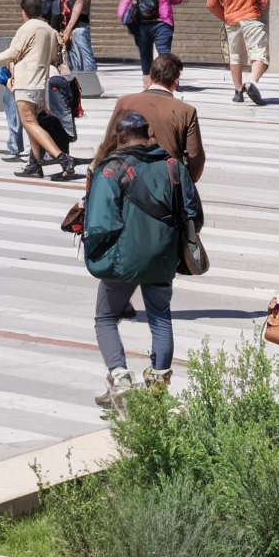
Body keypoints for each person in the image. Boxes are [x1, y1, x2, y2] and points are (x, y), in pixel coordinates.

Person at [73, 118, 190, 380]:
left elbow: (101, 225)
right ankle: (159, 383)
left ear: (119, 136)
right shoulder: (173, 167)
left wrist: (94, 251)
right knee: (160, 319)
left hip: (121, 260)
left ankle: (119, 375)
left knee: (105, 318)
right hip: (162, 258)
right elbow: (194, 214)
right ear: (148, 133)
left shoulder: (110, 170)